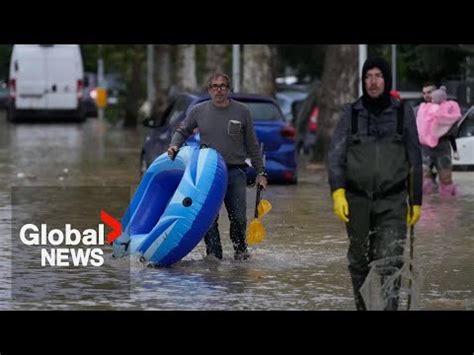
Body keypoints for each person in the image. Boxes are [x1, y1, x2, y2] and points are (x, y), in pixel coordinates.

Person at [327, 57, 423, 311]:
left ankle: (390, 308)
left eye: (378, 75)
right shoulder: (351, 113)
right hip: (356, 200)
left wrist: (416, 200)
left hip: (393, 201)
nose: (373, 81)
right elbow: (336, 156)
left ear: (387, 79)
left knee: (390, 258)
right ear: (363, 80)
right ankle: (362, 307)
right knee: (358, 260)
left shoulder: (404, 113)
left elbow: (415, 159)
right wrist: (338, 192)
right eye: (368, 76)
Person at [167, 73, 268, 261]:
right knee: (209, 220)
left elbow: (252, 145)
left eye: (222, 86)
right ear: (209, 90)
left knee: (238, 218)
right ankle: (214, 256)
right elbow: (182, 131)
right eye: (214, 86)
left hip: (235, 171)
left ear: (228, 89)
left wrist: (261, 172)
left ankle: (240, 251)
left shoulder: (242, 111)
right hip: (208, 174)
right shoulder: (198, 110)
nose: (218, 90)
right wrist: (174, 146)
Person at [416, 85, 461, 196]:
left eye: (429, 92)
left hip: (442, 147)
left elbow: (453, 130)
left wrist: (441, 127)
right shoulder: (419, 109)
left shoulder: (448, 109)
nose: (426, 95)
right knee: (424, 180)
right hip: (425, 149)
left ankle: (447, 207)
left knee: (446, 179)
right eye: (424, 93)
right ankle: (427, 208)